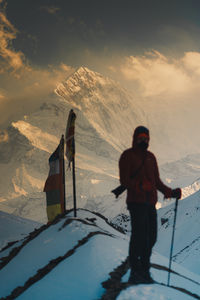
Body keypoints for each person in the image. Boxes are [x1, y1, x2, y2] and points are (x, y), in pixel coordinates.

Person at [119, 126, 181, 284]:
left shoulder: (151, 157)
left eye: (146, 138)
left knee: (151, 237)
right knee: (139, 236)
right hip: (136, 202)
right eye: (141, 138)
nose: (144, 141)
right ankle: (135, 272)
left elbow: (157, 182)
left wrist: (170, 192)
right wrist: (140, 186)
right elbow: (124, 180)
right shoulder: (127, 156)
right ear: (135, 138)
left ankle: (143, 270)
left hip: (150, 203)